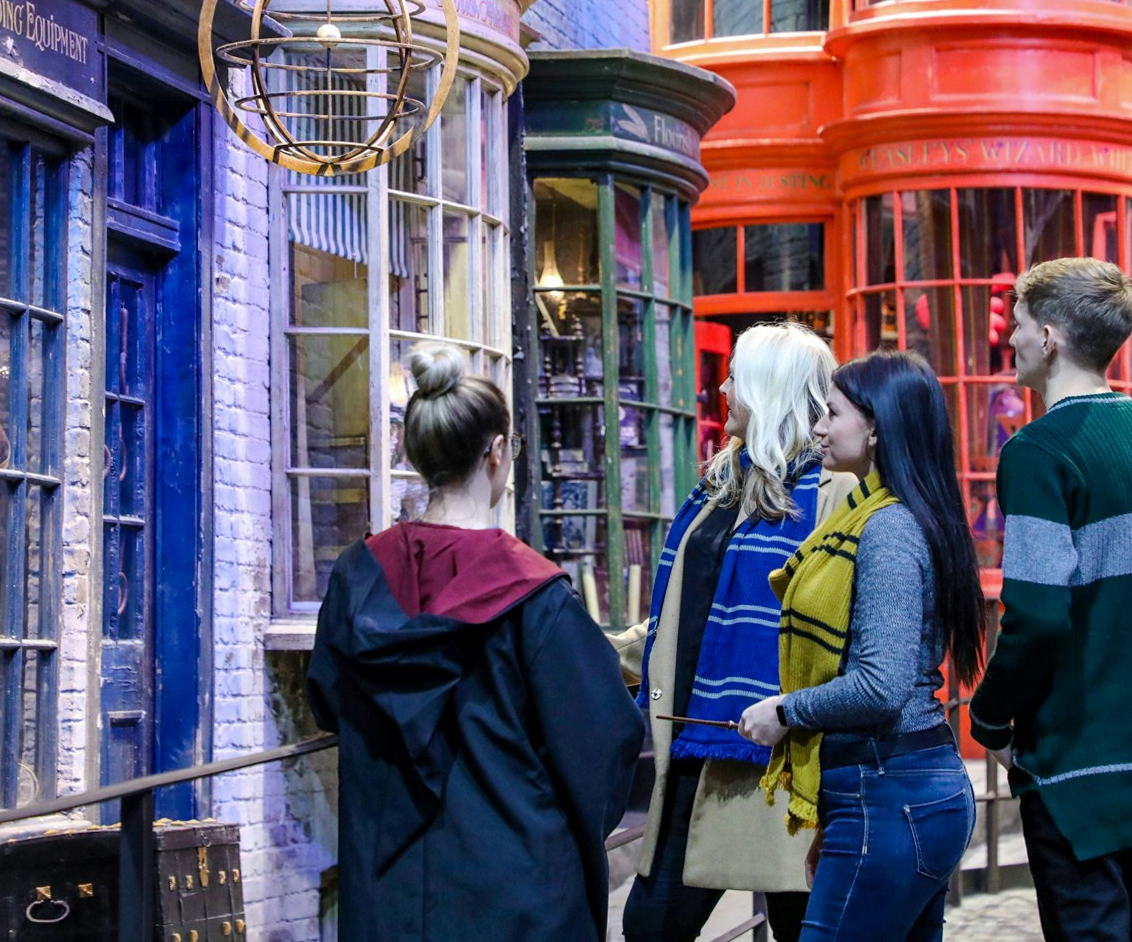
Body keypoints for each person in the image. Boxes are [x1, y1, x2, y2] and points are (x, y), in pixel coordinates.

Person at [307, 345, 644, 942]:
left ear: (416, 453)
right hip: (516, 885)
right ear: (496, 453)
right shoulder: (532, 593)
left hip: (392, 884)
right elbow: (603, 738)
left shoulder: (359, 574)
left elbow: (330, 700)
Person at [967, 257, 1132, 942]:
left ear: (1048, 338)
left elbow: (1040, 616)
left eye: (1015, 325)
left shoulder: (1040, 454)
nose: (1007, 340)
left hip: (1074, 763)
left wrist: (990, 717)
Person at [611, 322, 856, 942]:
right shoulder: (721, 483)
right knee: (648, 925)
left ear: (767, 391)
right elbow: (684, 612)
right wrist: (598, 651)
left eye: (736, 379)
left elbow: (841, 634)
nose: (722, 388)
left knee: (802, 927)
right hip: (697, 745)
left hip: (780, 759)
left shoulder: (836, 493)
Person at [739, 349, 990, 942]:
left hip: (890, 788)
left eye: (832, 413)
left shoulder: (888, 529)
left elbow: (880, 683)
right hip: (887, 790)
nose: (820, 427)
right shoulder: (880, 516)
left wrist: (784, 711)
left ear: (875, 426)